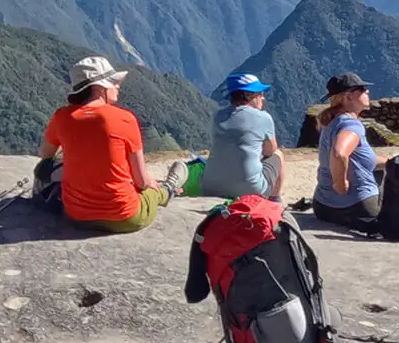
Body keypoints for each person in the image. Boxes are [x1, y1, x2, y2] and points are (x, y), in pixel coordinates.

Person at [38, 56, 175, 233]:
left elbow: (45, 154)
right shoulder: (125, 119)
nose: (118, 85)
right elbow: (141, 181)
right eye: (113, 82)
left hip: (77, 216)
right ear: (98, 88)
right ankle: (168, 189)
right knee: (152, 191)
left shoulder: (62, 117)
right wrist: (151, 183)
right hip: (125, 217)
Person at [312, 72, 383, 233]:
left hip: (323, 206)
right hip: (358, 207)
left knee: (387, 169)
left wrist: (392, 161)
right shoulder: (351, 124)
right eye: (362, 89)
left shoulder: (330, 121)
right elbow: (339, 153)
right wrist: (340, 183)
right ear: (348, 97)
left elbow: (364, 159)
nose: (367, 92)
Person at [204, 73, 282, 200]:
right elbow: (270, 150)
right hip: (251, 189)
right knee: (278, 155)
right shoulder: (263, 117)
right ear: (250, 96)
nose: (263, 98)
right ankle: (274, 201)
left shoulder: (217, 116)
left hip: (211, 186)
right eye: (260, 93)